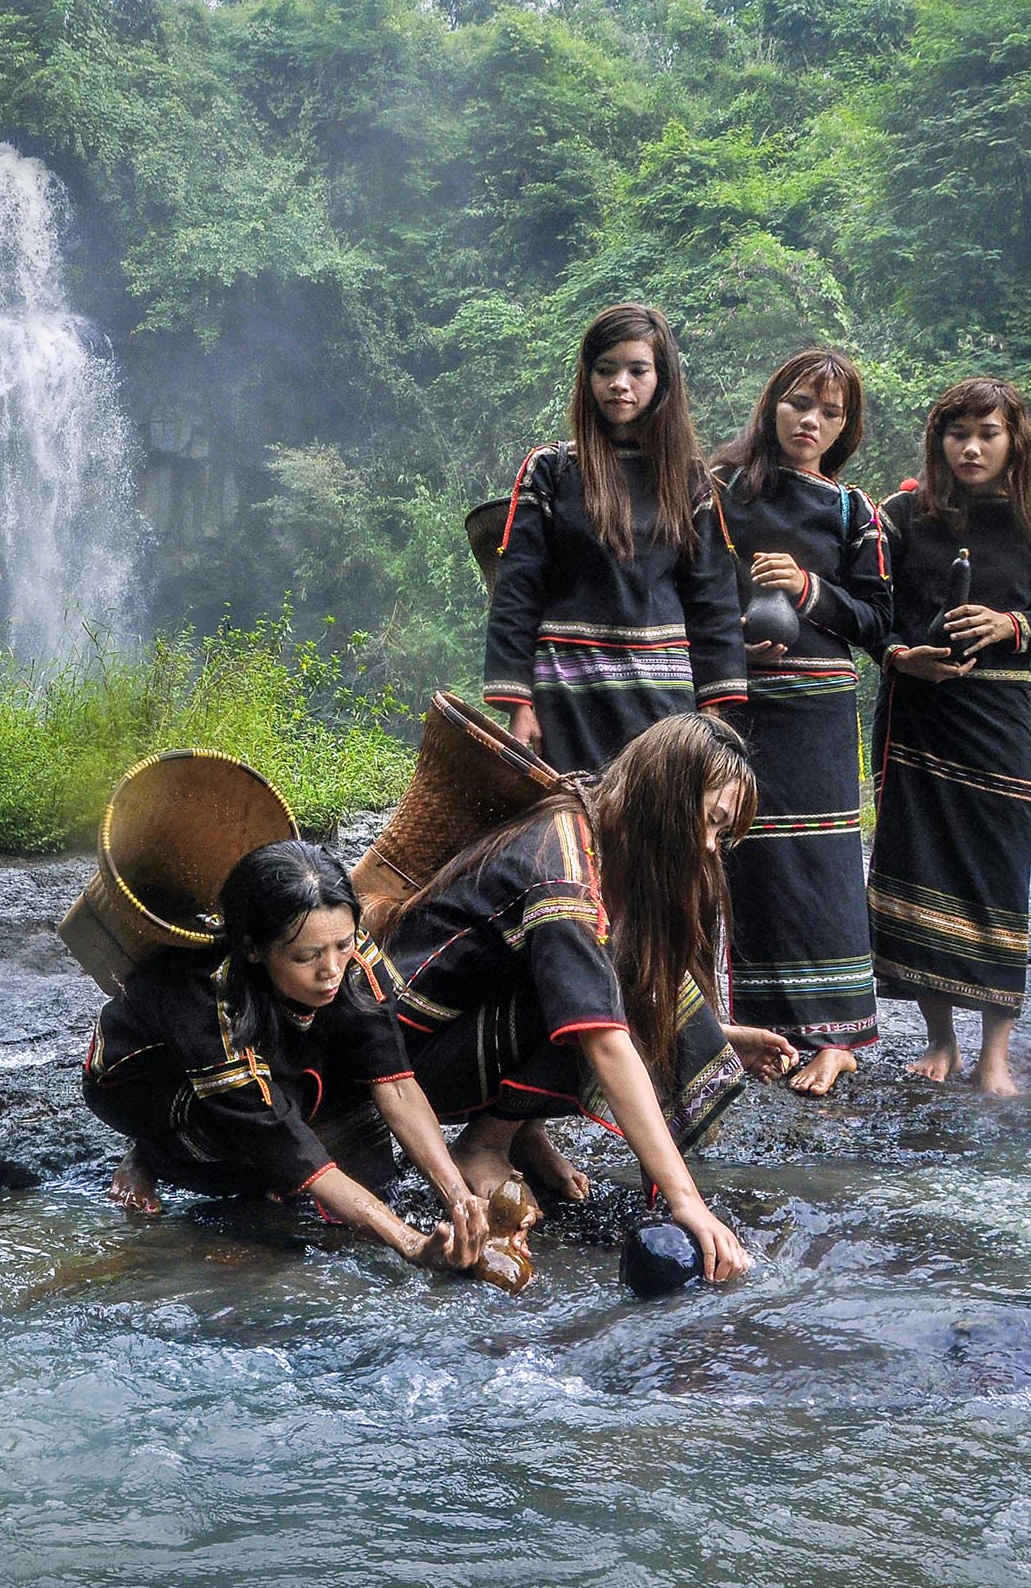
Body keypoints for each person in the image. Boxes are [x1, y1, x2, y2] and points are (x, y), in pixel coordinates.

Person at [373, 713, 771, 1283]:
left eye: (722, 835)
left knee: (608, 977)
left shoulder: (596, 817)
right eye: (711, 822)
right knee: (593, 999)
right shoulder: (561, 871)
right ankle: (484, 1144)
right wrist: (686, 1201)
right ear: (665, 795)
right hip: (407, 1056)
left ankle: (518, 1131)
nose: (710, 847)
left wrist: (719, 1036)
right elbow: (602, 1036)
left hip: (461, 1023)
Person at [83, 841, 496, 1276]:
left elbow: (393, 1083)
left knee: (364, 1151)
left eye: (343, 944)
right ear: (254, 949)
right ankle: (152, 1155)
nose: (331, 969)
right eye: (307, 956)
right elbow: (278, 1134)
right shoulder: (207, 998)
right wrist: (409, 1243)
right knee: (268, 1156)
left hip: (275, 1047)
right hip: (153, 1085)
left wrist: (460, 1198)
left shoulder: (348, 954)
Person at [870, 378, 1031, 1094]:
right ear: (938, 440)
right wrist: (901, 654)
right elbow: (872, 614)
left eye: (987, 434)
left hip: (997, 720)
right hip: (918, 715)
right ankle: (940, 1039)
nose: (970, 447)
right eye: (957, 433)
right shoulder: (900, 516)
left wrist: (1011, 625)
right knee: (917, 865)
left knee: (999, 873)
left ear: (1013, 441)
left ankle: (995, 1051)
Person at [706, 347, 894, 1098]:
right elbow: (689, 586)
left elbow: (879, 621)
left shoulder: (853, 511)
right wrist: (729, 636)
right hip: (737, 701)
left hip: (818, 710)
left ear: (845, 427)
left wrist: (810, 589)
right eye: (799, 403)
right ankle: (760, 1031)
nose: (811, 420)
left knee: (823, 864)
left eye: (830, 412)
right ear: (772, 405)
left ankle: (838, 1039)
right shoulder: (720, 489)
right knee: (744, 859)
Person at [481, 302, 747, 775]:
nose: (619, 383)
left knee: (657, 813)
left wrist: (713, 711)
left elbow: (712, 597)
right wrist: (519, 703)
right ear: (587, 378)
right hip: (568, 693)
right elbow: (517, 589)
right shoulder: (552, 470)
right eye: (605, 369)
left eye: (637, 370)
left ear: (661, 378)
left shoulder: (687, 479)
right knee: (571, 813)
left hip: (663, 699)